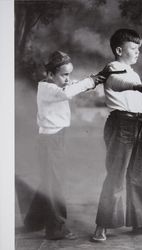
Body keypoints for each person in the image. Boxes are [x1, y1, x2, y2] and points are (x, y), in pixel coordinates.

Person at [92, 29, 142, 242]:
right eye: (133, 48)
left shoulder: (133, 72)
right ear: (118, 50)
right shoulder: (114, 68)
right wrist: (137, 86)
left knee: (138, 176)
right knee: (115, 176)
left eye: (139, 49)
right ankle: (102, 225)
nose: (138, 52)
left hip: (137, 124)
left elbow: (138, 107)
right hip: (120, 124)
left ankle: (140, 222)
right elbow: (115, 83)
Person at [24, 50, 105, 240]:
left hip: (55, 137)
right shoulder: (47, 89)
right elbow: (68, 92)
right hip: (50, 140)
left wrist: (90, 80)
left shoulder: (55, 86)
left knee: (49, 181)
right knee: (55, 184)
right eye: (65, 75)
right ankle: (55, 229)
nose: (68, 79)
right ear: (50, 74)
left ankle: (33, 222)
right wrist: (91, 82)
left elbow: (72, 86)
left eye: (70, 74)